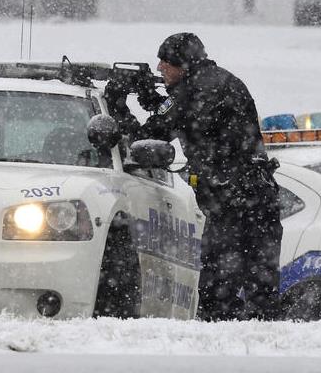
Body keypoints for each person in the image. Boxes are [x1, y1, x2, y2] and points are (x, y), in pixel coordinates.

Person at [104, 32, 282, 321]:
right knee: (261, 289)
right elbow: (184, 116)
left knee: (218, 294)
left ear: (182, 64)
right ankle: (266, 350)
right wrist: (154, 99)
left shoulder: (195, 91)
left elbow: (147, 136)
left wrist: (120, 107)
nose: (160, 68)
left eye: (165, 62)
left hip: (233, 204)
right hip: (256, 198)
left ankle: (223, 356)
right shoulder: (219, 81)